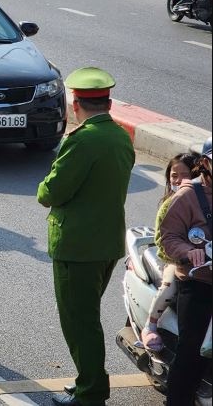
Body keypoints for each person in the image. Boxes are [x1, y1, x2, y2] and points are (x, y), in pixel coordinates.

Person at [38, 67, 135, 406]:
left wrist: (44, 184)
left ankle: (90, 391)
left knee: (80, 322)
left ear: (76, 103)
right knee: (86, 316)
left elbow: (51, 192)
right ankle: (87, 382)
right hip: (106, 242)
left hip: (77, 245)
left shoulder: (82, 140)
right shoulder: (120, 136)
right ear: (107, 103)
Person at [160, 137, 212, 406]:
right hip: (199, 281)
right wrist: (187, 252)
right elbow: (168, 238)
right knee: (190, 353)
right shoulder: (188, 195)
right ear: (205, 164)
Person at [141, 152, 199, 351]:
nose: (179, 180)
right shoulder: (170, 204)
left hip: (204, 261)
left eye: (186, 175)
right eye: (175, 176)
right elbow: (162, 239)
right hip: (174, 260)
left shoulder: (203, 201)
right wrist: (183, 256)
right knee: (171, 284)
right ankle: (151, 325)